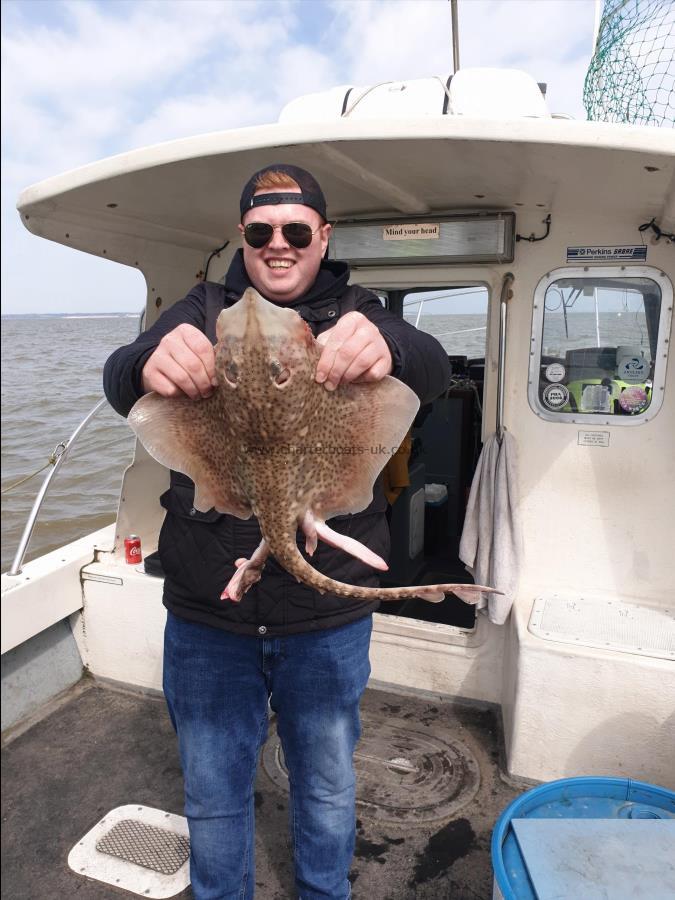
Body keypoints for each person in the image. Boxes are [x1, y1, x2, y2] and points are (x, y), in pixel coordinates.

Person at [104, 164, 451, 900]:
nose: (279, 244)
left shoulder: (360, 310)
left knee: (325, 783)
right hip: (210, 612)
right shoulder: (203, 308)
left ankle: (326, 894)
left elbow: (430, 367)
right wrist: (147, 362)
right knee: (211, 790)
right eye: (262, 231)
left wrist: (388, 346)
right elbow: (120, 375)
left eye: (297, 230)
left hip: (325, 620)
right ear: (243, 237)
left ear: (323, 236)